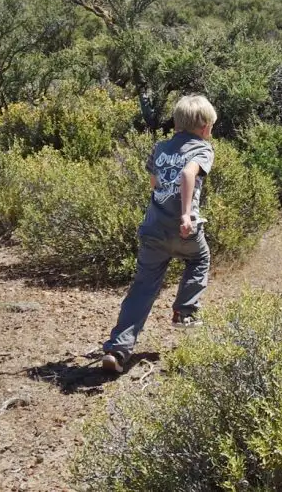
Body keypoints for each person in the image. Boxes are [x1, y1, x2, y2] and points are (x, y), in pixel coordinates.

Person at [100, 94, 217, 374]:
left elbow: (154, 182)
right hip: (183, 229)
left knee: (143, 288)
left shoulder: (161, 147)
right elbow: (189, 174)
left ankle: (118, 349)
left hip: (153, 228)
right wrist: (187, 214)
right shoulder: (203, 148)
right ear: (204, 127)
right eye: (211, 125)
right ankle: (184, 312)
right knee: (200, 258)